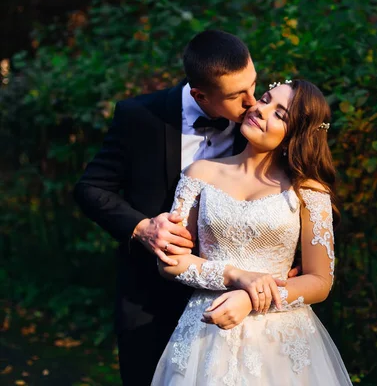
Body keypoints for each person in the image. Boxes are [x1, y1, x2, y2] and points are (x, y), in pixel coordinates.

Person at [73, 30, 297, 385]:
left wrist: (290, 262)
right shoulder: (138, 117)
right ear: (200, 96)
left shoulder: (260, 124)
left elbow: (292, 197)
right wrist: (141, 228)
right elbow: (90, 188)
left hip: (239, 309)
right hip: (150, 300)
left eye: (254, 85)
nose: (252, 102)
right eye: (238, 95)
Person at [151, 80, 353, 385]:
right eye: (266, 99)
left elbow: (320, 281)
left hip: (279, 341)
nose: (260, 109)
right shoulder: (200, 173)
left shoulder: (308, 192)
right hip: (206, 329)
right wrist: (235, 276)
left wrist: (250, 298)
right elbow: (169, 261)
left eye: (280, 114)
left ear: (295, 136)